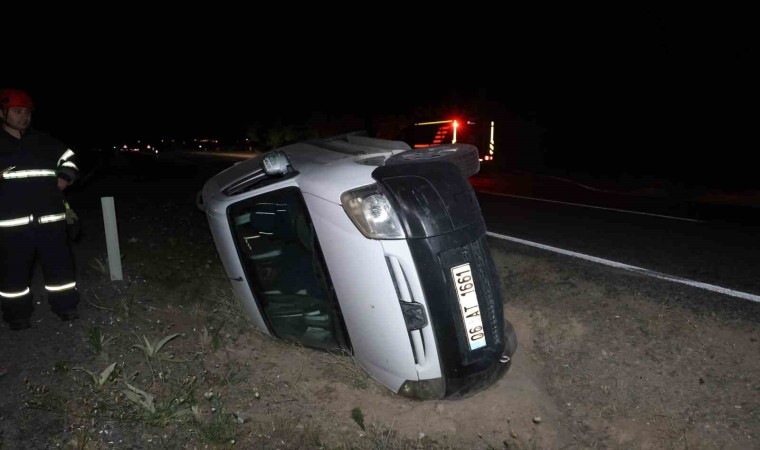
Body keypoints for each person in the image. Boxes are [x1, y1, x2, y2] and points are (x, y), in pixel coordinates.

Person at [0, 88, 80, 330]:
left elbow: (70, 159)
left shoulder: (45, 141)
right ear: (2, 113)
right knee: (13, 273)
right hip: (12, 224)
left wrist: (65, 176)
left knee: (60, 268)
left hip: (51, 219)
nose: (23, 116)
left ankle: (66, 307)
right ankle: (17, 316)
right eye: (17, 111)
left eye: (27, 112)